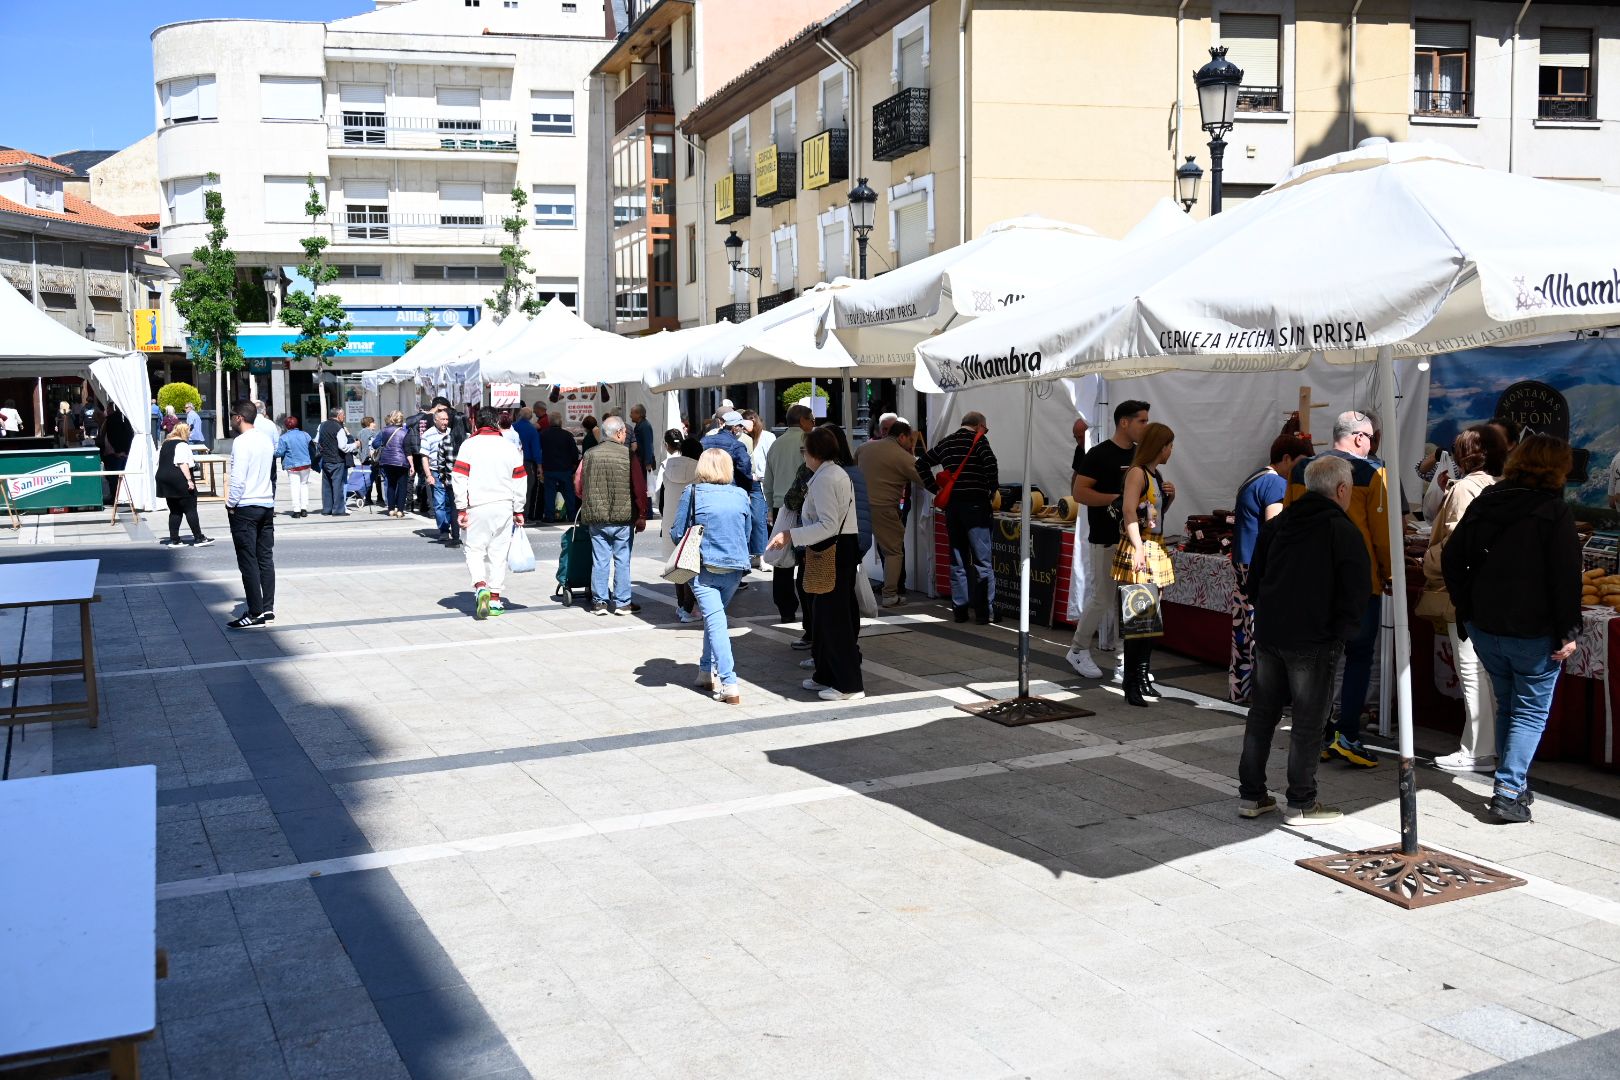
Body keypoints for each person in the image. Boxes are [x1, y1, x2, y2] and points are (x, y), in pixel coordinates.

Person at [1443, 435, 1582, 824]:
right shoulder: (1553, 511)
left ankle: (1514, 785)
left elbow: (1452, 558)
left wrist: (1466, 606)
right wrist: (1569, 630)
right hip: (1531, 631)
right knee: (1529, 713)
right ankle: (1507, 791)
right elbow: (1565, 578)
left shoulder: (1488, 500)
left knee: (1511, 706)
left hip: (1486, 626)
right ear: (1558, 467)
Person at [1237, 455, 1370, 826]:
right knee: (1309, 722)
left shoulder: (1280, 524)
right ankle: (1301, 801)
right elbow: (1356, 590)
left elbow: (1254, 581)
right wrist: (1341, 633)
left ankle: (1251, 795)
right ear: (1341, 490)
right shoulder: (1342, 530)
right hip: (1313, 639)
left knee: (1263, 714)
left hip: (1272, 633)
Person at [1285, 411, 1392, 768]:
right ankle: (1347, 733)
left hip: (1310, 580)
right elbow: (1383, 533)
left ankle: (1319, 730)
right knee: (1359, 655)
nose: (1372, 443)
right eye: (1371, 436)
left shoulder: (1302, 470)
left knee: (1319, 657)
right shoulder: (1372, 472)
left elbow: (1289, 519)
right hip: (1357, 581)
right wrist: (1390, 572)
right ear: (1360, 438)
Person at [1421, 425, 1509, 774]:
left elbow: (1457, 545)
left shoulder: (1465, 489)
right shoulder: (1502, 487)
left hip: (1466, 592)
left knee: (1471, 669)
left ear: (1464, 455)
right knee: (1487, 671)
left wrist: (1428, 560)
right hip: (1495, 591)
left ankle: (1478, 749)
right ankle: (1488, 746)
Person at [767, 425, 864, 701]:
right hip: (836, 548)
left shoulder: (826, 478)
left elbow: (828, 525)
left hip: (833, 549)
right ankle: (826, 673)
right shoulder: (830, 473)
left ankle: (848, 685)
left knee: (834, 620)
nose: (803, 455)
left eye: (804, 450)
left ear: (814, 452)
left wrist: (790, 535)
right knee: (824, 616)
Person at [1067, 400, 1151, 677]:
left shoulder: (1141, 456)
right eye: (1142, 421)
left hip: (1133, 540)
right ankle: (1078, 650)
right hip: (1105, 538)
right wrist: (1115, 500)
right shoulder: (1099, 454)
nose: (1146, 426)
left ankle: (1123, 660)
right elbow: (1079, 493)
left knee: (1130, 599)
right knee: (1103, 598)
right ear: (1124, 422)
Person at [1229, 435, 1314, 703]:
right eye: (1300, 462)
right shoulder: (1276, 483)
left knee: (1243, 627)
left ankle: (1241, 689)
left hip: (1243, 558)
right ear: (1286, 458)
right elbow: (1275, 527)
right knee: (1262, 629)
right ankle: (1265, 690)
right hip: (1260, 563)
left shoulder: (1254, 477)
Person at [672, 449, 755, 705]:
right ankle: (705, 671)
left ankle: (729, 683)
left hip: (705, 566)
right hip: (735, 568)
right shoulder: (741, 495)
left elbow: (677, 532)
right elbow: (748, 530)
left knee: (717, 623)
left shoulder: (693, 492)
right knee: (715, 619)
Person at [1113, 422, 1176, 707]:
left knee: (1148, 619)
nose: (1171, 450)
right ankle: (1131, 682)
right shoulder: (1137, 473)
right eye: (1168, 445)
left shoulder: (1154, 474)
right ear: (1159, 446)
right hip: (1142, 547)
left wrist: (1169, 498)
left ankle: (1141, 677)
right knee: (1138, 618)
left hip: (1154, 546)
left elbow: (1151, 514)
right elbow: (1128, 510)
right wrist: (1138, 548)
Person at [922, 411, 1000, 624]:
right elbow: (991, 464)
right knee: (983, 561)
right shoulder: (979, 441)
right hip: (976, 506)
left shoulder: (947, 443)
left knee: (958, 560)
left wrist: (934, 489)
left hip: (953, 508)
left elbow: (921, 463)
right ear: (979, 426)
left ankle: (960, 611)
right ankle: (985, 613)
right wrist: (992, 490)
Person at [451, 406, 526, 619]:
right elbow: (520, 479)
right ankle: (495, 599)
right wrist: (519, 509)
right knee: (498, 554)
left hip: (477, 505)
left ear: (476, 422)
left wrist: (461, 508)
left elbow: (459, 478)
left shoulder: (469, 445)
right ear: (496, 422)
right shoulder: (509, 446)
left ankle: (480, 585)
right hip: (504, 505)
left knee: (474, 550)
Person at [577, 415, 648, 615]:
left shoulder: (590, 454)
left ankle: (600, 602)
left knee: (600, 559)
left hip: (597, 516)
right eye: (625, 432)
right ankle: (623, 602)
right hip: (623, 517)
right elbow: (639, 487)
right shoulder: (628, 455)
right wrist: (642, 514)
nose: (626, 435)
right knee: (622, 558)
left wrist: (588, 500)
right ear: (618, 433)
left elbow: (578, 484)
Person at [858, 419, 928, 607]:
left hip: (859, 506)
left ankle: (848, 591)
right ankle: (890, 594)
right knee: (893, 552)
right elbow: (924, 480)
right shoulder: (902, 456)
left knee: (856, 551)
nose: (910, 444)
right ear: (902, 436)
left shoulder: (864, 448)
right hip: (884, 508)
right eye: (909, 440)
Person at [225, 401, 277, 628]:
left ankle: (255, 612)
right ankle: (267, 608)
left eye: (231, 415)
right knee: (265, 558)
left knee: (248, 561)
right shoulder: (265, 439)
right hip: (266, 503)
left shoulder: (241, 442)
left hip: (246, 505)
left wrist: (230, 503)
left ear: (239, 418)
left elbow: (238, 478)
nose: (230, 419)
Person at [661, 431, 704, 621]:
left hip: (671, 519)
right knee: (690, 566)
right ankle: (689, 608)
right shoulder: (700, 470)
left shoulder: (669, 466)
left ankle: (681, 606)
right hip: (690, 521)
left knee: (676, 563)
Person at [155, 422, 213, 547]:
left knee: (175, 510)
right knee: (190, 508)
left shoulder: (165, 444)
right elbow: (182, 463)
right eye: (189, 432)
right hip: (179, 479)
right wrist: (189, 480)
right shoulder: (182, 445)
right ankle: (198, 537)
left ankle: (174, 539)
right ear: (184, 432)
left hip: (165, 480)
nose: (190, 434)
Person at [421, 406, 465, 547]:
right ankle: (444, 530)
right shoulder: (428, 435)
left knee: (451, 503)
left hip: (451, 474)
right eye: (442, 419)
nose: (445, 422)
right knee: (439, 503)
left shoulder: (453, 433)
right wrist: (428, 475)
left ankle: (454, 528)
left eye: (447, 419)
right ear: (435, 420)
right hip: (436, 472)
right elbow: (424, 456)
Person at [742, 409, 773, 562]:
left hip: (760, 482)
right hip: (746, 481)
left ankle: (762, 555)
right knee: (747, 520)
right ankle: (754, 553)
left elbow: (772, 462)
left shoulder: (767, 437)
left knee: (758, 519)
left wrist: (761, 476)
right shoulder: (743, 438)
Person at [539, 410, 581, 522]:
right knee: (568, 493)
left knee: (549, 493)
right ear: (561, 422)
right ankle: (572, 516)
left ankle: (549, 516)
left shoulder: (543, 435)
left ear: (549, 422)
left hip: (549, 469)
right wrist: (573, 465)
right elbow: (574, 453)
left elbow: (540, 451)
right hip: (565, 469)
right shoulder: (567, 435)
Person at [701, 411, 756, 493]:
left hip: (706, 487)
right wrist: (746, 486)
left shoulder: (704, 441)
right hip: (730, 488)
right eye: (741, 426)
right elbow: (745, 465)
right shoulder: (737, 445)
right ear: (734, 427)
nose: (742, 428)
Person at [372, 411, 412, 518]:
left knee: (391, 485)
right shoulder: (405, 431)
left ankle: (390, 509)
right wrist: (412, 464)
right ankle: (400, 510)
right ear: (401, 419)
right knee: (402, 486)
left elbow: (375, 444)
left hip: (387, 461)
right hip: (401, 461)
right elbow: (407, 449)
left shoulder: (384, 431)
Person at [315, 408, 354, 515]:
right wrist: (355, 445)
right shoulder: (339, 428)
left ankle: (327, 509)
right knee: (338, 486)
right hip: (337, 460)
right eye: (343, 415)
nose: (344, 417)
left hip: (325, 460)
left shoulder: (322, 425)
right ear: (338, 415)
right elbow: (343, 447)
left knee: (326, 486)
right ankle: (338, 510)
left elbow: (317, 441)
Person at [274, 416, 315, 518]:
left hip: (292, 465)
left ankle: (296, 510)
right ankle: (304, 509)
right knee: (304, 485)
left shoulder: (284, 438)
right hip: (305, 463)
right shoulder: (305, 434)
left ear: (286, 426)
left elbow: (279, 452)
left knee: (294, 486)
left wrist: (272, 452)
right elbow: (311, 446)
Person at [96, 403, 135, 506]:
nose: (106, 411)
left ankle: (115, 498)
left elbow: (115, 436)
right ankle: (118, 497)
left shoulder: (112, 420)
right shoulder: (123, 419)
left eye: (108, 408)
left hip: (114, 453)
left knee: (113, 478)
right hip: (120, 452)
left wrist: (118, 451)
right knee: (117, 477)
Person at [513, 407, 543, 521]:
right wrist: (539, 465)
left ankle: (512, 513)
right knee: (527, 489)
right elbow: (536, 449)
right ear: (530, 417)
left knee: (513, 488)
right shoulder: (532, 429)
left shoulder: (513, 427)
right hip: (527, 463)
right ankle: (523, 515)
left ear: (519, 415)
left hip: (513, 462)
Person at [629, 403, 657, 487]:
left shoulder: (644, 426)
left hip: (644, 463)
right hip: (641, 461)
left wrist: (648, 463)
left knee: (646, 487)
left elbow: (648, 445)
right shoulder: (640, 425)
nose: (630, 415)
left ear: (639, 414)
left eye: (632, 413)